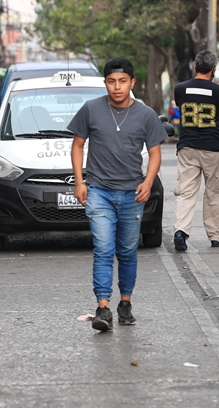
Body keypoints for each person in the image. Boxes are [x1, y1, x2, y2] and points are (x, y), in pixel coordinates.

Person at [68, 57, 168, 332]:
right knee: (103, 249)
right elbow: (77, 146)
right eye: (111, 81)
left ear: (132, 83)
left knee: (127, 251)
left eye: (122, 81)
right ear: (105, 83)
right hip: (99, 191)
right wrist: (80, 182)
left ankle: (125, 303)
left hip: (132, 194)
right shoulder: (91, 109)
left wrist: (148, 182)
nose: (117, 87)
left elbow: (155, 153)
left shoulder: (146, 114)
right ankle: (103, 308)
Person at [173, 49, 219, 251]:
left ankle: (180, 231)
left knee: (186, 192)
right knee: (214, 192)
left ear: (195, 67)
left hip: (187, 147)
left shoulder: (180, 89)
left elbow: (181, 110)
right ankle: (215, 237)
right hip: (212, 148)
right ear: (213, 70)